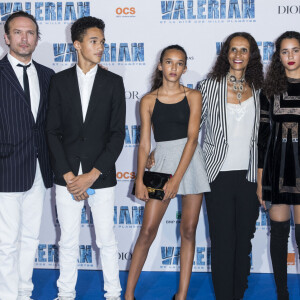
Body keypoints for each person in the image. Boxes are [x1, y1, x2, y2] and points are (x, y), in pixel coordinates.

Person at [46, 16, 125, 300]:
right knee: (67, 241)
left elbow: (118, 135)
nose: (100, 47)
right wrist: (69, 177)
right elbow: (51, 132)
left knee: (106, 240)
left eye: (102, 42)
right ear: (77, 45)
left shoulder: (114, 82)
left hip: (100, 176)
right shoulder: (59, 81)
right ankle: (65, 294)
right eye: (94, 41)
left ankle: (113, 295)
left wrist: (92, 174)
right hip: (66, 177)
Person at [124, 45, 210, 300]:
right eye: (169, 62)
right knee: (147, 231)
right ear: (160, 65)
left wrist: (177, 180)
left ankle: (181, 295)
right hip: (161, 164)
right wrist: (139, 180)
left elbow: (193, 139)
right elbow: (144, 145)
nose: (174, 68)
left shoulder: (194, 95)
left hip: (190, 164)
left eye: (179, 63)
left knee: (189, 230)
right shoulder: (148, 100)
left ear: (185, 67)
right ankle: (128, 295)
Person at [196, 32, 263, 300]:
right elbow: (192, 129)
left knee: (243, 242)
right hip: (217, 176)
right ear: (226, 53)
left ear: (251, 55)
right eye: (233, 49)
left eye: (244, 50)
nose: (238, 55)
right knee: (223, 243)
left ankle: (238, 294)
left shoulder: (260, 88)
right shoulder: (208, 86)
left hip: (249, 177)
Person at [0, 11, 54, 300]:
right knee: (6, 242)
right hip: (5, 169)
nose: (24, 38)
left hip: (39, 168)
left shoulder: (48, 75)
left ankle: (24, 292)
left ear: (37, 38)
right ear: (6, 37)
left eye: (30, 33)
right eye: (18, 32)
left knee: (31, 238)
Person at [257, 31, 300, 300]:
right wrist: (261, 180)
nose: (290, 57)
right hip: (277, 169)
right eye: (285, 52)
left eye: (295, 50)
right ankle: (282, 293)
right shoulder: (269, 90)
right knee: (279, 235)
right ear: (278, 56)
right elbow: (262, 136)